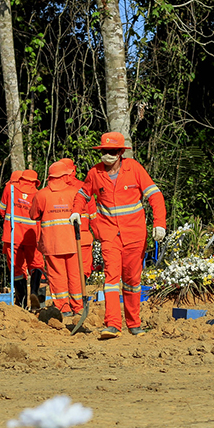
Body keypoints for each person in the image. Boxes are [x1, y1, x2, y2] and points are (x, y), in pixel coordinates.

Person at [73, 132, 166, 339]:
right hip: (109, 235)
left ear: (120, 153)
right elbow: (82, 194)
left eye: (112, 151)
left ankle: (134, 324)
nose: (108, 155)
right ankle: (113, 325)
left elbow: (155, 195)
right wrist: (75, 211)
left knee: (132, 281)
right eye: (105, 151)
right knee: (111, 279)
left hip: (134, 235)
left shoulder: (134, 169)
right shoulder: (95, 173)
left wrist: (159, 223)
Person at [31, 161, 83, 316]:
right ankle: (78, 307)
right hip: (72, 241)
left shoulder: (41, 194)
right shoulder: (74, 192)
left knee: (57, 275)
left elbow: (33, 215)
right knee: (74, 275)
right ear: (64, 175)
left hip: (52, 243)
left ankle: (63, 308)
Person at [0, 169, 43, 306]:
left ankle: (22, 301)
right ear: (35, 182)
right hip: (32, 235)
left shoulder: (9, 188)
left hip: (13, 235)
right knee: (36, 264)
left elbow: (1, 210)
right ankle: (35, 292)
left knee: (16, 267)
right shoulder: (38, 193)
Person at [59, 158, 95, 276]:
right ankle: (81, 293)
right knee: (83, 269)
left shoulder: (53, 190)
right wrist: (98, 234)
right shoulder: (84, 187)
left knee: (64, 272)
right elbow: (93, 214)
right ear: (73, 170)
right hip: (83, 235)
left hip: (62, 238)